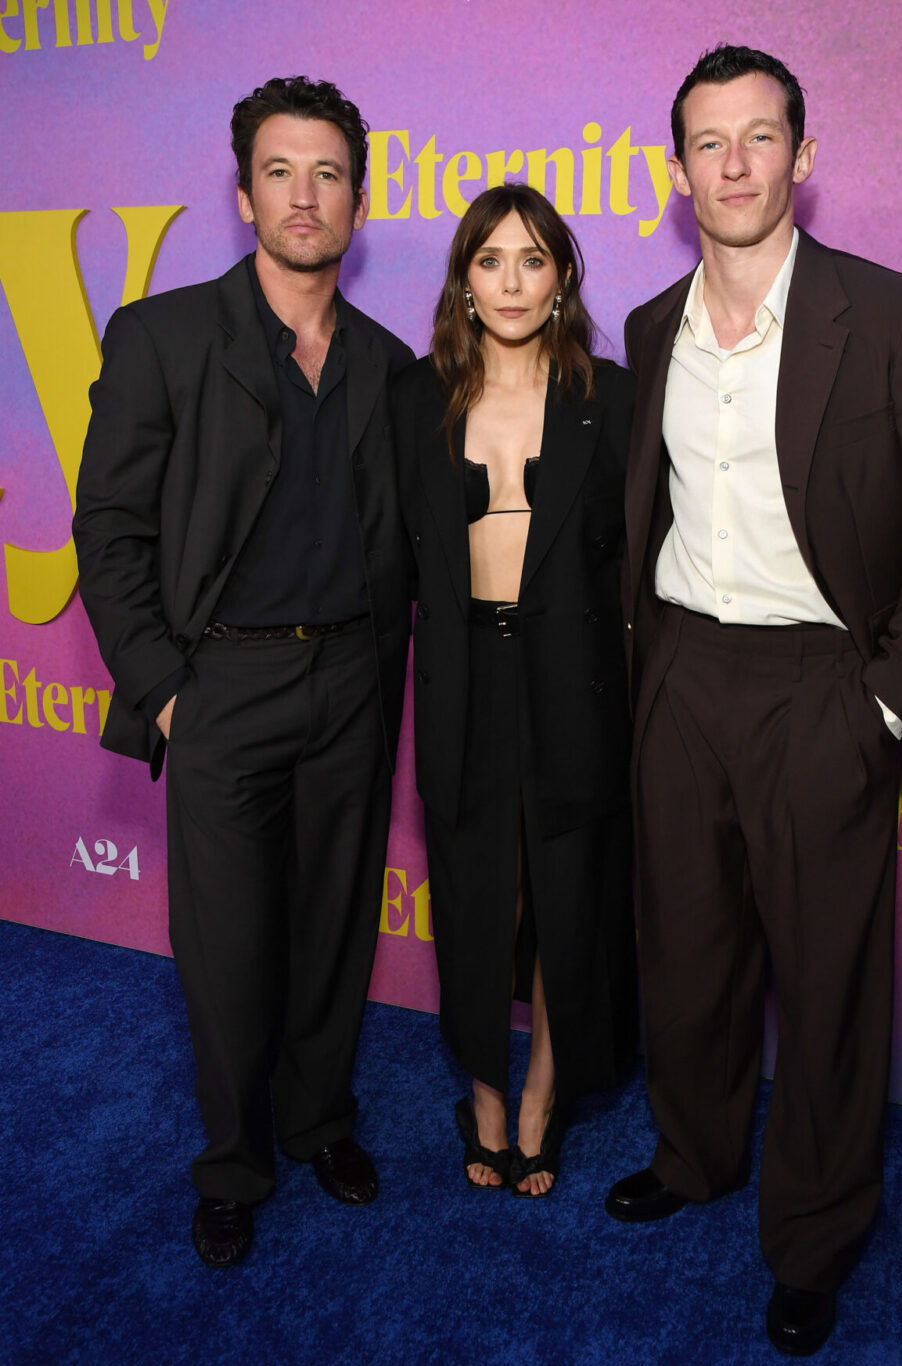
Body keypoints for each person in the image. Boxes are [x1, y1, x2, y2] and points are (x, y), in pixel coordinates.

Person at [604, 46, 902, 1352]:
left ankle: (817, 1233)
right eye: (708, 142)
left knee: (828, 980)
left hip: (822, 683)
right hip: (683, 674)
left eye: (760, 137)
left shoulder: (892, 314)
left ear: (803, 157)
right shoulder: (649, 327)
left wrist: (881, 704)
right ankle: (696, 1152)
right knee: (688, 952)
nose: (734, 164)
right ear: (676, 172)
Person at [73, 77, 413, 1267]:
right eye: (280, 171)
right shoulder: (162, 336)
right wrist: (168, 688)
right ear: (243, 195)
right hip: (220, 687)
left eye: (327, 173)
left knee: (334, 923)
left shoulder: (388, 363)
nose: (304, 195)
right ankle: (233, 1161)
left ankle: (320, 1121)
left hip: (353, 681)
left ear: (358, 202)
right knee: (226, 944)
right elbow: (109, 527)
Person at [392, 184, 637, 1198]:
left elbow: (639, 559)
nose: (510, 282)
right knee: (480, 894)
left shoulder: (610, 397)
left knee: (568, 894)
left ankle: (540, 1098)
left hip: (575, 679)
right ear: (465, 279)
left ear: (562, 277)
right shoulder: (417, 396)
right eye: (490, 260)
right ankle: (485, 1096)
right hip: (464, 677)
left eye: (532, 260)